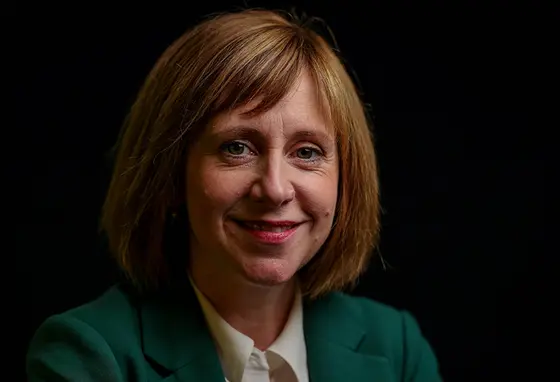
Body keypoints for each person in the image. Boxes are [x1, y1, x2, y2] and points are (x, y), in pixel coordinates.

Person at [26, 9, 442, 382]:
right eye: (237, 147)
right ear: (169, 174)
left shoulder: (396, 350)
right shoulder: (90, 358)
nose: (276, 189)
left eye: (307, 152)